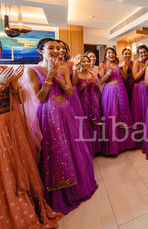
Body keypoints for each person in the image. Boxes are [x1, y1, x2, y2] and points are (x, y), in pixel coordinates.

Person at [24, 38, 98, 215]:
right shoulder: (31, 70)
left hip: (65, 110)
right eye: (51, 48)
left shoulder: (64, 68)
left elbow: (70, 92)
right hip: (48, 113)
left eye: (58, 48)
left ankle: (77, 186)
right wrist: (50, 74)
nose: (57, 51)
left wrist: (58, 74)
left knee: (72, 148)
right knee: (55, 151)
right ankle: (59, 192)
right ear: (41, 51)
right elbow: (39, 98)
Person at [0, 65, 63, 228]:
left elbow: (21, 100)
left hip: (13, 124)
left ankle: (30, 209)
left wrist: (14, 86)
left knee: (19, 166)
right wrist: (1, 84)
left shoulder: (5, 69)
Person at [99, 47, 135, 156]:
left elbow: (125, 77)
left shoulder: (119, 64)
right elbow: (102, 80)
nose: (111, 54)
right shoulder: (103, 65)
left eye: (112, 53)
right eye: (109, 53)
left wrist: (123, 68)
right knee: (111, 115)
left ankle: (123, 145)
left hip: (121, 90)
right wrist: (110, 71)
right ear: (105, 55)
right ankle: (112, 146)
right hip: (109, 91)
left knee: (121, 114)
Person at [73, 55, 103, 156]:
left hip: (93, 102)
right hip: (82, 102)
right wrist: (84, 85)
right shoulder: (76, 74)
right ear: (79, 63)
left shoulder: (91, 74)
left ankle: (97, 148)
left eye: (87, 61)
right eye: (83, 61)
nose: (86, 63)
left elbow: (97, 89)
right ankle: (87, 151)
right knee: (85, 123)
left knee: (95, 122)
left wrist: (94, 84)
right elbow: (73, 92)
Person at [131, 45, 148, 148]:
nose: (143, 54)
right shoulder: (136, 63)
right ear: (139, 54)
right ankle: (139, 140)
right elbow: (135, 77)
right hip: (139, 89)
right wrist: (145, 67)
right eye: (141, 53)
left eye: (145, 52)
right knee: (140, 112)